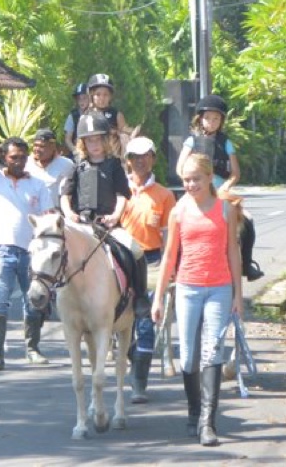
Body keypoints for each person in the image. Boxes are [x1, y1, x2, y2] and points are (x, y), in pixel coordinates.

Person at [152, 153, 243, 447]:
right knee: (189, 356)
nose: (190, 185)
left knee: (212, 352)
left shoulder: (225, 210)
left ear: (208, 178)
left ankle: (207, 421)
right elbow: (169, 256)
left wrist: (238, 295)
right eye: (186, 180)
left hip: (219, 287)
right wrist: (159, 298)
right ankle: (193, 411)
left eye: (196, 179)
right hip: (188, 287)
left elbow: (233, 253)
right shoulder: (178, 212)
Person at [60, 110, 147, 312]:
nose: (95, 145)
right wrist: (69, 214)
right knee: (56, 252)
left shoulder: (114, 165)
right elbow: (65, 195)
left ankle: (140, 297)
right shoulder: (77, 166)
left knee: (135, 250)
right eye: (89, 141)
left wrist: (115, 216)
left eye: (98, 140)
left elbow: (121, 195)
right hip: (81, 225)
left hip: (107, 224)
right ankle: (56, 295)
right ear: (83, 143)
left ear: (106, 140)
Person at [0, 137, 54, 371]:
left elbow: (48, 218)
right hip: (3, 251)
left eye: (23, 157)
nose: (19, 162)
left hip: (32, 253)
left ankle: (32, 349)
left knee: (33, 302)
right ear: (4, 157)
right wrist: (3, 146)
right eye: (14, 157)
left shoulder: (38, 184)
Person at [176, 94, 264, 281]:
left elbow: (235, 173)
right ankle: (174, 264)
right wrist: (192, 183)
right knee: (175, 217)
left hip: (220, 191)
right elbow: (179, 167)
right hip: (195, 191)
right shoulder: (191, 141)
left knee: (248, 220)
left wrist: (224, 187)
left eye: (216, 118)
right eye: (208, 118)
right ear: (200, 118)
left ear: (221, 120)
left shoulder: (226, 143)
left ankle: (246, 264)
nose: (211, 122)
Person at [120, 136, 176, 404]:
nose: (139, 161)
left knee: (146, 321)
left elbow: (169, 237)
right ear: (127, 161)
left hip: (151, 261)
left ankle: (139, 381)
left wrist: (170, 268)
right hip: (119, 259)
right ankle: (130, 362)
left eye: (144, 156)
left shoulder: (165, 195)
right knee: (119, 319)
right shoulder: (118, 191)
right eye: (133, 157)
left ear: (153, 158)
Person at [25, 128, 75, 208]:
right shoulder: (25, 163)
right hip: (30, 212)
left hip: (55, 213)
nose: (37, 149)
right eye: (35, 145)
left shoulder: (66, 164)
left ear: (52, 147)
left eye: (42, 146)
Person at [63, 83, 90, 157]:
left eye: (84, 98)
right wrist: (76, 151)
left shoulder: (97, 114)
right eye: (79, 98)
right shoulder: (73, 115)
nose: (81, 101)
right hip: (78, 151)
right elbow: (68, 139)